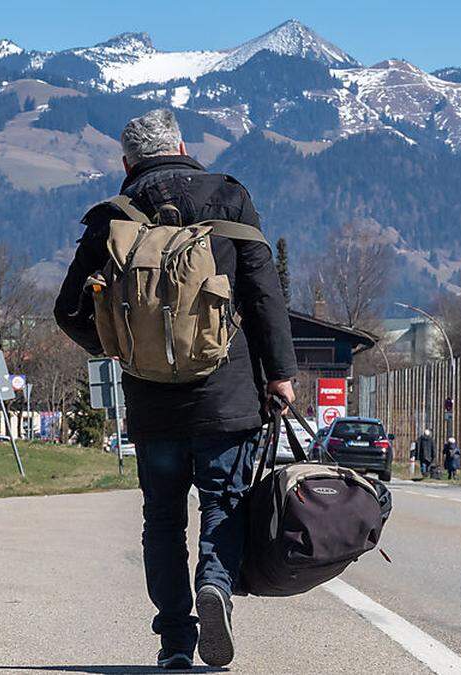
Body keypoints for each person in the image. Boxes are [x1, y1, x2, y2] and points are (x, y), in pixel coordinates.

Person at [53, 109, 297, 669]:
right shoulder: (230, 197)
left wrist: (116, 345)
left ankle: (175, 644)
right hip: (227, 395)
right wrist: (279, 374)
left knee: (162, 517)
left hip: (151, 399)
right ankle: (215, 584)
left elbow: (68, 309)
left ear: (126, 163)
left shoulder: (113, 217)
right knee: (223, 503)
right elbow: (265, 296)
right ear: (183, 145)